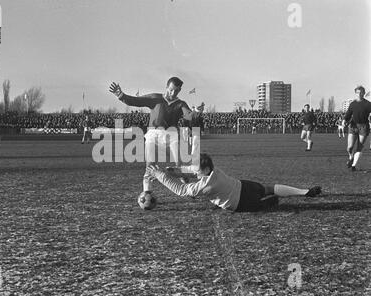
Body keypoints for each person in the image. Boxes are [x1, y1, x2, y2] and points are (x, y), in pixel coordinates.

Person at [146, 153, 322, 212]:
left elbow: (181, 189)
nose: (194, 169)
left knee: (265, 204)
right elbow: (191, 171)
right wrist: (174, 171)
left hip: (238, 203)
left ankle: (267, 204)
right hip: (242, 185)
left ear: (205, 170)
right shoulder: (214, 171)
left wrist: (160, 175)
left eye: (197, 168)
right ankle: (304, 192)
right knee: (268, 188)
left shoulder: (205, 184)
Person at [109, 77, 198, 194]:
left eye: (176, 91)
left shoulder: (180, 104)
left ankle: (187, 185)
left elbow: (189, 116)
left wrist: (196, 112)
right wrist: (121, 95)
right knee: (150, 166)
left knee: (179, 165)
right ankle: (147, 192)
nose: (173, 93)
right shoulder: (155, 98)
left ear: (179, 90)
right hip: (153, 135)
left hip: (172, 137)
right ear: (166, 87)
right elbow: (136, 101)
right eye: (171, 90)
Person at [342, 86, 371, 171]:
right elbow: (348, 114)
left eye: (361, 92)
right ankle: (351, 157)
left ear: (364, 93)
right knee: (349, 147)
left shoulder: (368, 104)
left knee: (359, 147)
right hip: (353, 126)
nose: (359, 94)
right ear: (355, 93)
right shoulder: (353, 104)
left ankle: (354, 165)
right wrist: (344, 120)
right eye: (357, 92)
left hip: (364, 127)